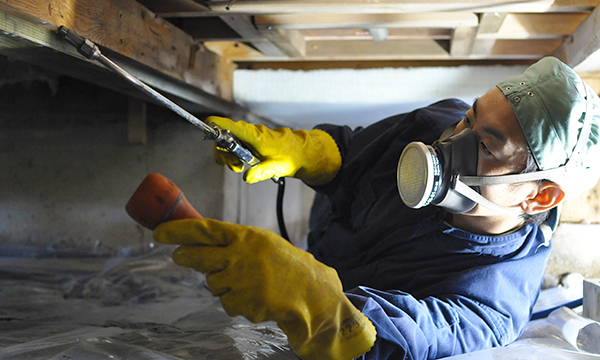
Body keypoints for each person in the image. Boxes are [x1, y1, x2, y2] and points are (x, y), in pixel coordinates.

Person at [153, 57, 600, 360]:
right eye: (470, 116)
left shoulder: (491, 304)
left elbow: (402, 338)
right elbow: (355, 151)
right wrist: (304, 151)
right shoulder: (437, 122)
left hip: (337, 299)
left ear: (539, 196)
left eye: (484, 145)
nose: (450, 140)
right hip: (329, 236)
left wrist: (312, 297)